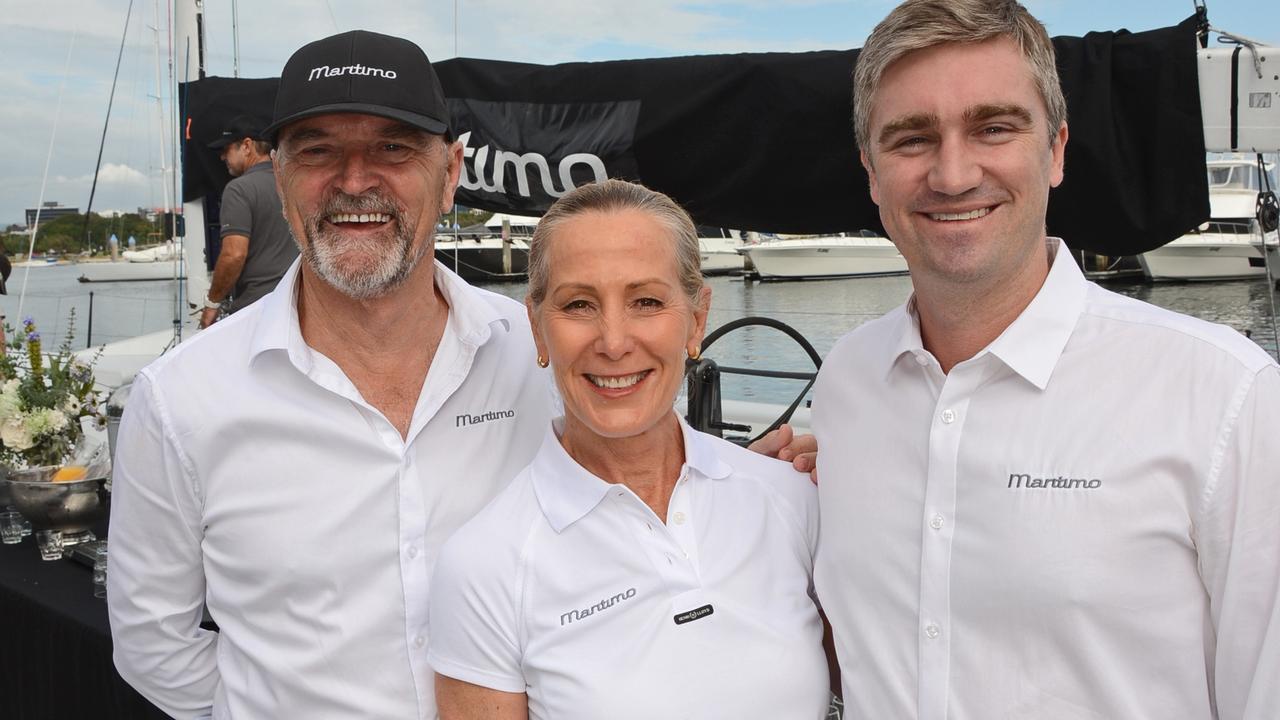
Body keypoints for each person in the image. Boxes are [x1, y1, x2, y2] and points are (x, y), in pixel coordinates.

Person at [108, 30, 803, 720]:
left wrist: (749, 480)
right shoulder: (180, 401)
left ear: (450, 174)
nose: (355, 180)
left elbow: (638, 475)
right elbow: (153, 644)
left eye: (393, 148)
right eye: (319, 151)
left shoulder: (540, 356)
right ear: (280, 181)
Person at [811, 1, 1280, 718]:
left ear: (1056, 151)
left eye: (993, 128)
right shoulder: (848, 381)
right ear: (871, 173)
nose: (954, 172)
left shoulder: (1227, 399)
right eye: (911, 139)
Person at [427, 178, 830, 719]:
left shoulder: (792, 500)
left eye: (645, 301)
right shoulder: (485, 566)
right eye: (578, 304)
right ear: (538, 329)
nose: (614, 342)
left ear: (697, 318)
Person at [201, 114, 299, 327]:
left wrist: (212, 303)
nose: (221, 157)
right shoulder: (294, 185)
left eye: (225, 150)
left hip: (256, 310)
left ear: (247, 146)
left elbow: (234, 254)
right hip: (298, 306)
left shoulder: (238, 189)